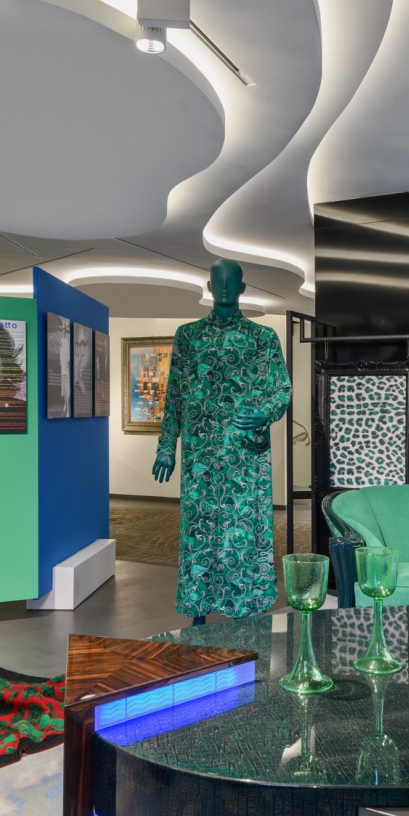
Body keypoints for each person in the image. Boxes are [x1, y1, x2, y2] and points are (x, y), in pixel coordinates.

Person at [152, 259, 292, 623]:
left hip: (245, 457)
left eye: (232, 281)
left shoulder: (262, 338)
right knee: (198, 532)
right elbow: (174, 396)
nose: (225, 287)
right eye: (219, 281)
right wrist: (166, 446)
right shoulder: (188, 336)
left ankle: (244, 607)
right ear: (210, 287)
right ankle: (198, 610)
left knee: (242, 533)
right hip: (199, 457)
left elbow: (282, 389)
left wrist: (265, 412)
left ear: (242, 288)